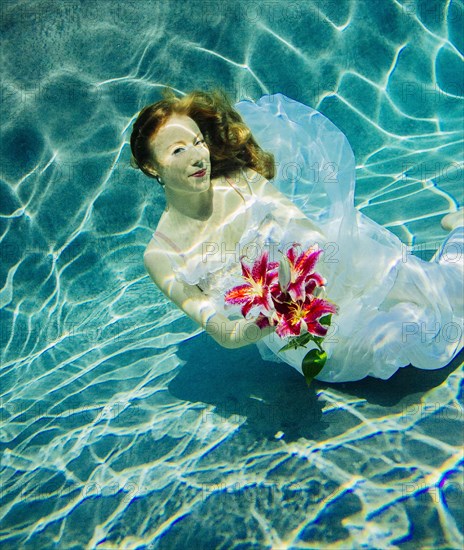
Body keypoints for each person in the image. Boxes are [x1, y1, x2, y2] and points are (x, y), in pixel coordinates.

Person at [130, 89, 463, 383]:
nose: (196, 156)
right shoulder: (161, 255)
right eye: (177, 151)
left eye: (198, 142)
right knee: (394, 340)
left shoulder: (241, 180)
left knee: (445, 290)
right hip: (300, 331)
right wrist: (276, 317)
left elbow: (307, 230)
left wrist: (307, 276)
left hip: (333, 269)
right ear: (150, 167)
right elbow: (225, 333)